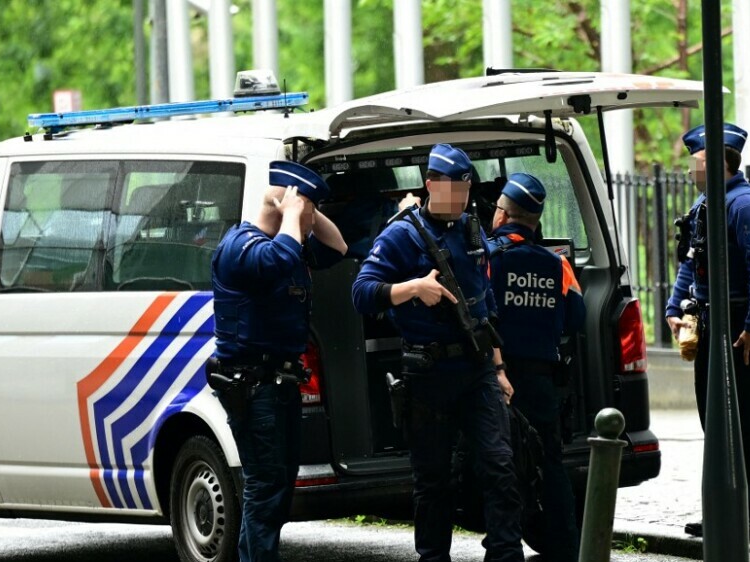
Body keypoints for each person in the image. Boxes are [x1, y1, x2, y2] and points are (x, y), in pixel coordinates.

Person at [352, 144, 524, 562]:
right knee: (433, 481)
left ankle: (504, 554)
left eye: (466, 190)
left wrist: (499, 367)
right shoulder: (400, 235)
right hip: (428, 374)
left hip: (477, 367)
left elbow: (485, 305)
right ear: (431, 184)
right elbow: (361, 294)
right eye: (452, 190)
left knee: (500, 465)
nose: (461, 199)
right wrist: (412, 288)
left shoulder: (471, 228)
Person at [210, 160, 347, 562]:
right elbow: (277, 259)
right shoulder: (240, 248)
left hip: (280, 387)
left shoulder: (291, 242)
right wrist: (290, 211)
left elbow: (337, 248)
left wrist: (308, 210)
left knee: (278, 486)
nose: (310, 222)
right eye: (309, 210)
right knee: (265, 487)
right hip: (254, 390)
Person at [664, 123, 750, 540]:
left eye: (696, 163)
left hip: (738, 326)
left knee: (746, 417)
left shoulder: (744, 206)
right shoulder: (706, 203)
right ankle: (724, 505)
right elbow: (691, 260)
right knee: (714, 418)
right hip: (712, 321)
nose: (691, 170)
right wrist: (676, 306)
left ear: (715, 162)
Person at [486, 172, 585, 561]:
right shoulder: (557, 264)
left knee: (499, 461)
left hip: (497, 378)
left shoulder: (490, 259)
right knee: (549, 461)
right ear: (535, 220)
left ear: (503, 214)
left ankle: (504, 544)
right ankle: (565, 547)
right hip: (543, 380)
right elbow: (576, 317)